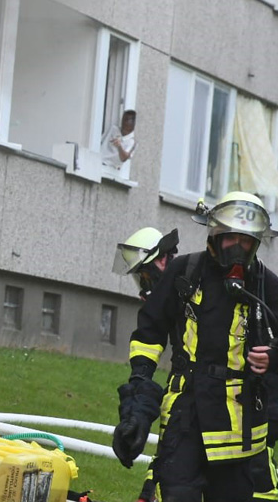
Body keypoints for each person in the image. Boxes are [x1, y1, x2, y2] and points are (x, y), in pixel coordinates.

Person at [112, 191, 278, 502]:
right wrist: (137, 404)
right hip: (186, 418)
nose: (238, 248)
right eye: (232, 239)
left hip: (241, 432)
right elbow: (149, 334)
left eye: (247, 241)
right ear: (214, 235)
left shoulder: (267, 286)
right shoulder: (184, 273)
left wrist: (274, 357)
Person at [111, 226, 180, 502]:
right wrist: (134, 411)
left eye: (146, 278)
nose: (144, 289)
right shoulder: (167, 305)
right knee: (164, 472)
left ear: (163, 261)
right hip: (182, 409)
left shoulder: (194, 294)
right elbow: (146, 347)